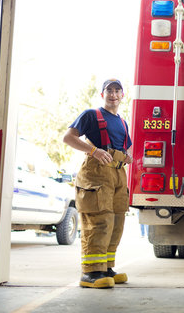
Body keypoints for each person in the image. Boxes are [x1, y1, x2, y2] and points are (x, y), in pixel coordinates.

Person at [63, 78, 133, 289]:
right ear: (102, 95)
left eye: (117, 91)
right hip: (96, 174)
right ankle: (91, 273)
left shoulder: (122, 121)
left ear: (122, 96)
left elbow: (128, 146)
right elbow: (68, 137)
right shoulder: (91, 115)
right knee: (98, 221)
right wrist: (93, 151)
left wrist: (128, 155)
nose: (113, 94)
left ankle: (106, 267)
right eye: (108, 91)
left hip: (118, 175)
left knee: (116, 223)